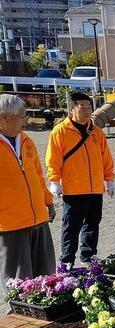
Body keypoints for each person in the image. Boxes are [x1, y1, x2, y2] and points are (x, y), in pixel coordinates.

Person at [46, 92, 115, 267]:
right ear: (71, 109)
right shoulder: (60, 131)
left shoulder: (96, 132)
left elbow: (105, 157)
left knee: (93, 223)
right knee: (71, 226)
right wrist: (54, 181)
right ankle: (67, 259)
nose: (86, 110)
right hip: (73, 188)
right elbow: (53, 158)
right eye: (81, 106)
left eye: (89, 107)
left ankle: (88, 255)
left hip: (95, 188)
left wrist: (109, 179)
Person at [0, 94, 56, 297]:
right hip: (11, 225)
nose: (26, 120)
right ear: (5, 117)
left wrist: (48, 202)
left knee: (47, 277)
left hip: (38, 218)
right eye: (21, 116)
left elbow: (38, 175)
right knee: (19, 283)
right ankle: (19, 319)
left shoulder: (26, 140)